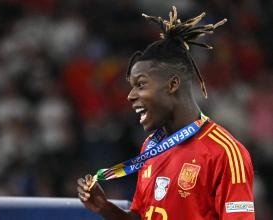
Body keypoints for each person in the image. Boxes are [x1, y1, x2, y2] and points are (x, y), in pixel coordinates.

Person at [77, 6, 255, 220]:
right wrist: (105, 208)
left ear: (172, 84)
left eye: (140, 84)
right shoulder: (152, 147)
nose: (130, 96)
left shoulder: (225, 153)